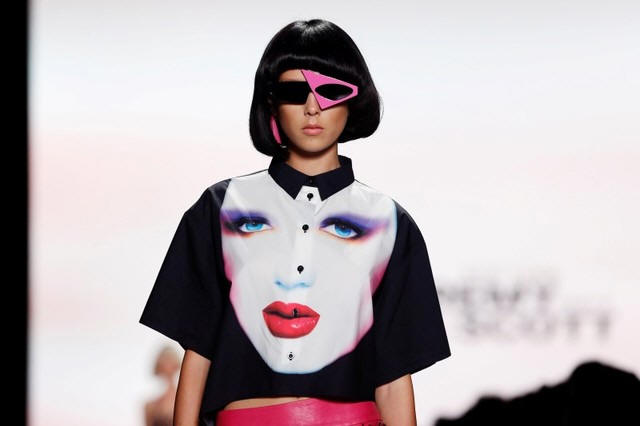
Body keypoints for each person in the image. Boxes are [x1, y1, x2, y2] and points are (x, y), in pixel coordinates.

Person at [139, 18, 451, 426]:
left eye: (331, 91)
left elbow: (393, 378)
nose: (312, 107)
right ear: (271, 102)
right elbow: (198, 350)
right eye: (293, 92)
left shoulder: (389, 223)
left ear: (354, 101)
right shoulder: (221, 208)